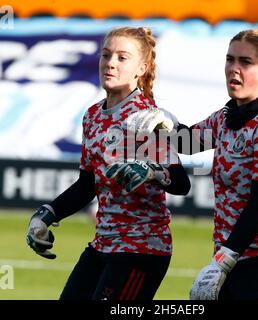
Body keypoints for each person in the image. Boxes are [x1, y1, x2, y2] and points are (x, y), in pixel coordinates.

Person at [129, 29, 258, 300]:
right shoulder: (226, 116)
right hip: (228, 259)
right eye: (230, 60)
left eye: (246, 62)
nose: (234, 69)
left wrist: (224, 260)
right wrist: (163, 122)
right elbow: (187, 143)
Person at [26, 26, 190, 301]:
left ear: (142, 68)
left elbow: (181, 183)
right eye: (106, 55)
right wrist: (48, 213)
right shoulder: (92, 116)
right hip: (103, 244)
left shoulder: (146, 117)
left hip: (141, 250)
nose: (111, 63)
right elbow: (87, 185)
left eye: (122, 58)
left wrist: (152, 173)